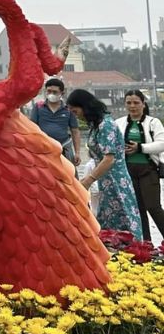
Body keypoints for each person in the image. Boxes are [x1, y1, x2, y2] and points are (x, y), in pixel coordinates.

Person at [66, 89, 142, 239]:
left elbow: (109, 158)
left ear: (84, 106)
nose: (76, 115)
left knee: (125, 219)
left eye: (75, 111)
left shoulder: (105, 125)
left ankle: (135, 254)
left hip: (116, 180)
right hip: (105, 181)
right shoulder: (96, 125)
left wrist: (89, 179)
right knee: (108, 223)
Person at [115, 89, 164, 240]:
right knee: (137, 210)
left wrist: (140, 148)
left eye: (136, 103)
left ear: (143, 104)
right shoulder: (119, 123)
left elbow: (162, 144)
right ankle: (146, 245)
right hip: (127, 173)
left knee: (153, 207)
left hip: (148, 170)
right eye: (129, 103)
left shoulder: (153, 123)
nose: (132, 106)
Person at [29, 77, 82, 164]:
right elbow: (32, 128)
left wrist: (77, 153)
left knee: (68, 175)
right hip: (43, 149)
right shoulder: (38, 107)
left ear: (62, 93)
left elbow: (75, 131)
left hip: (64, 148)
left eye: (55, 92)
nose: (51, 94)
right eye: (49, 91)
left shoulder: (68, 109)